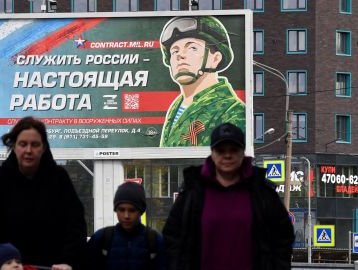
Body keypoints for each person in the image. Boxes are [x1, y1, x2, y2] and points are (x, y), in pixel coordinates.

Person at [162, 123, 295, 270]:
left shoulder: (262, 192)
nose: (227, 155)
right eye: (221, 150)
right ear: (212, 153)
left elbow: (283, 238)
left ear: (243, 152)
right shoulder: (192, 192)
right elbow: (172, 237)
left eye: (234, 149)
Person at [0, 116, 87, 270]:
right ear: (14, 146)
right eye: (23, 144)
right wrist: (0, 259)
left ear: (44, 147)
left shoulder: (59, 179)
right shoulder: (0, 179)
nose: (28, 150)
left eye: (35, 144)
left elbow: (76, 226)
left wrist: (68, 261)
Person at [159, 16, 246, 147]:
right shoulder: (176, 108)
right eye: (174, 51)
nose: (179, 55)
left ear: (215, 59)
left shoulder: (232, 111)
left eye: (192, 48)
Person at [86, 182, 166, 270]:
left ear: (141, 211)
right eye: (121, 210)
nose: (126, 216)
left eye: (132, 210)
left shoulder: (156, 240)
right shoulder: (100, 238)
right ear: (116, 210)